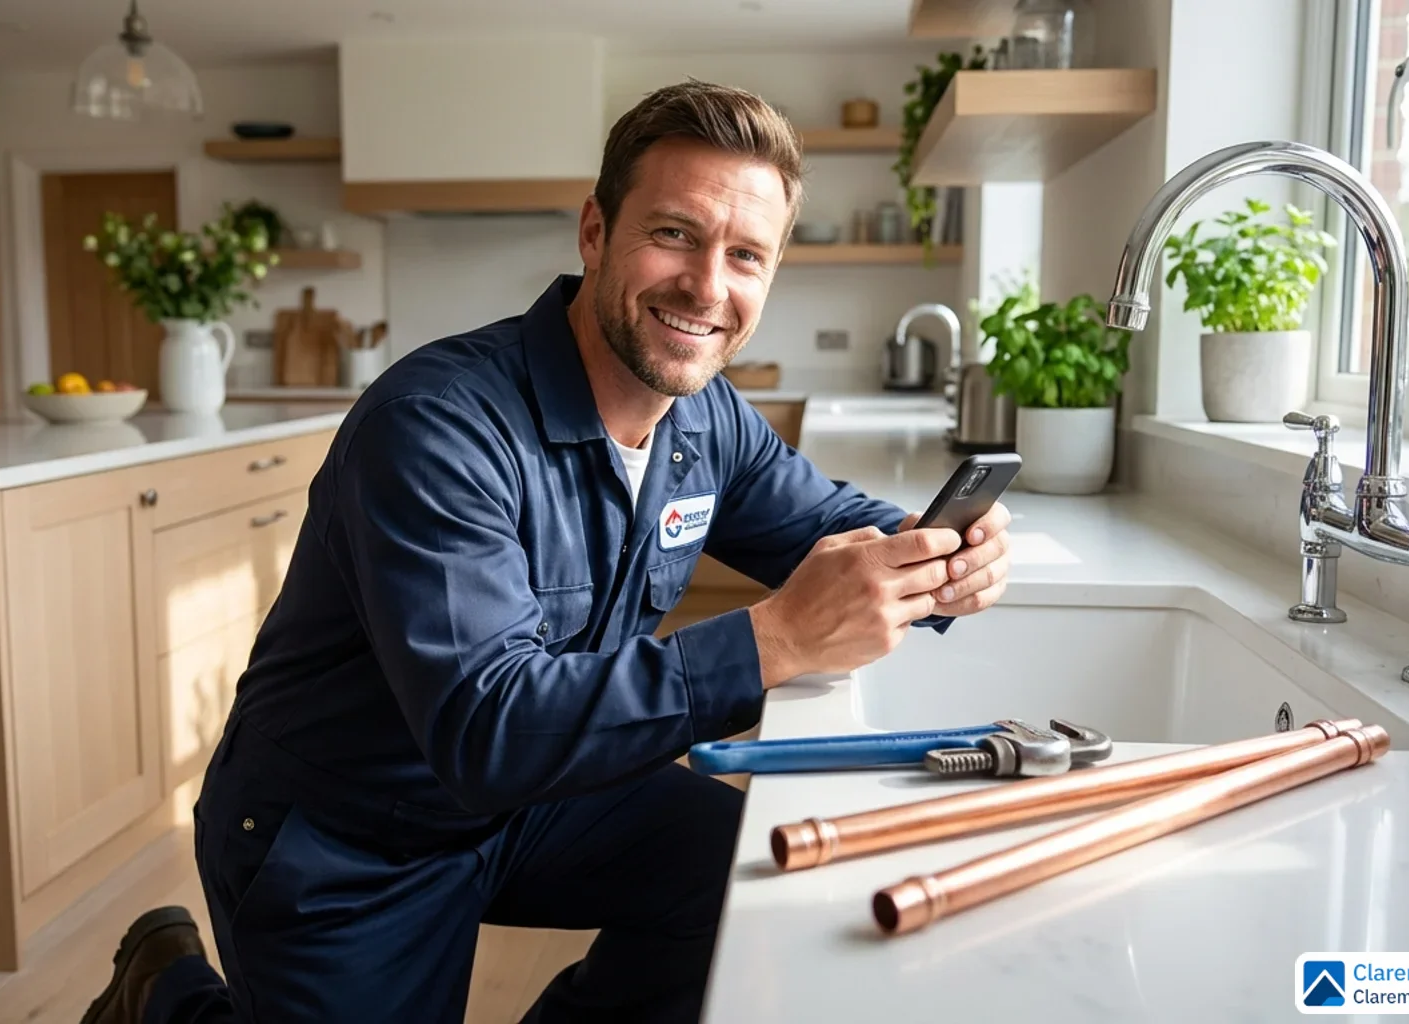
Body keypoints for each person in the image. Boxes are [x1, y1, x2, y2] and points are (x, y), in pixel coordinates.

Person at [81, 79, 1012, 1024]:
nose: (707, 286)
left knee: (741, 880)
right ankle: (163, 993)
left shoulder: (706, 419)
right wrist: (776, 640)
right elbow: (484, 731)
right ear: (595, 232)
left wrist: (945, 555)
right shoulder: (438, 426)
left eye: (745, 255)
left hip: (540, 793)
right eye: (674, 235)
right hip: (349, 833)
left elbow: (836, 527)